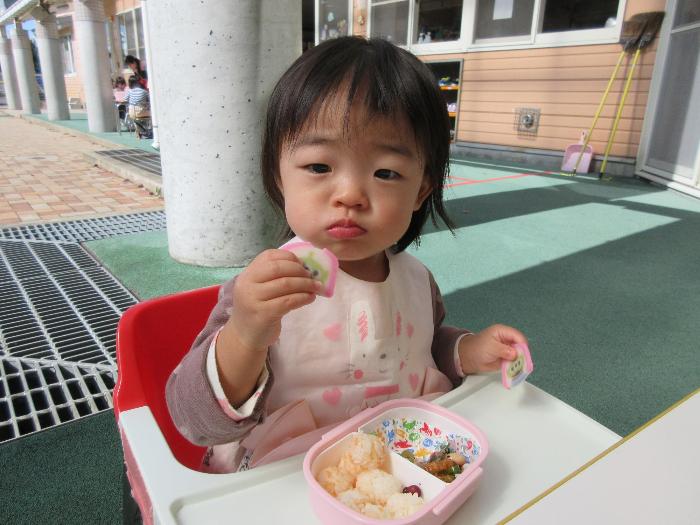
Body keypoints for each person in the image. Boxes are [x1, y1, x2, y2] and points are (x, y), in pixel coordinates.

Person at [166, 36, 528, 473]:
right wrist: (246, 332)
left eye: (386, 172)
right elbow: (194, 422)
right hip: (283, 473)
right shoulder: (263, 291)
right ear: (279, 175)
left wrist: (466, 351)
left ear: (422, 190)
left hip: (402, 468)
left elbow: (420, 348)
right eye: (319, 167)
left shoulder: (417, 281)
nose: (351, 194)